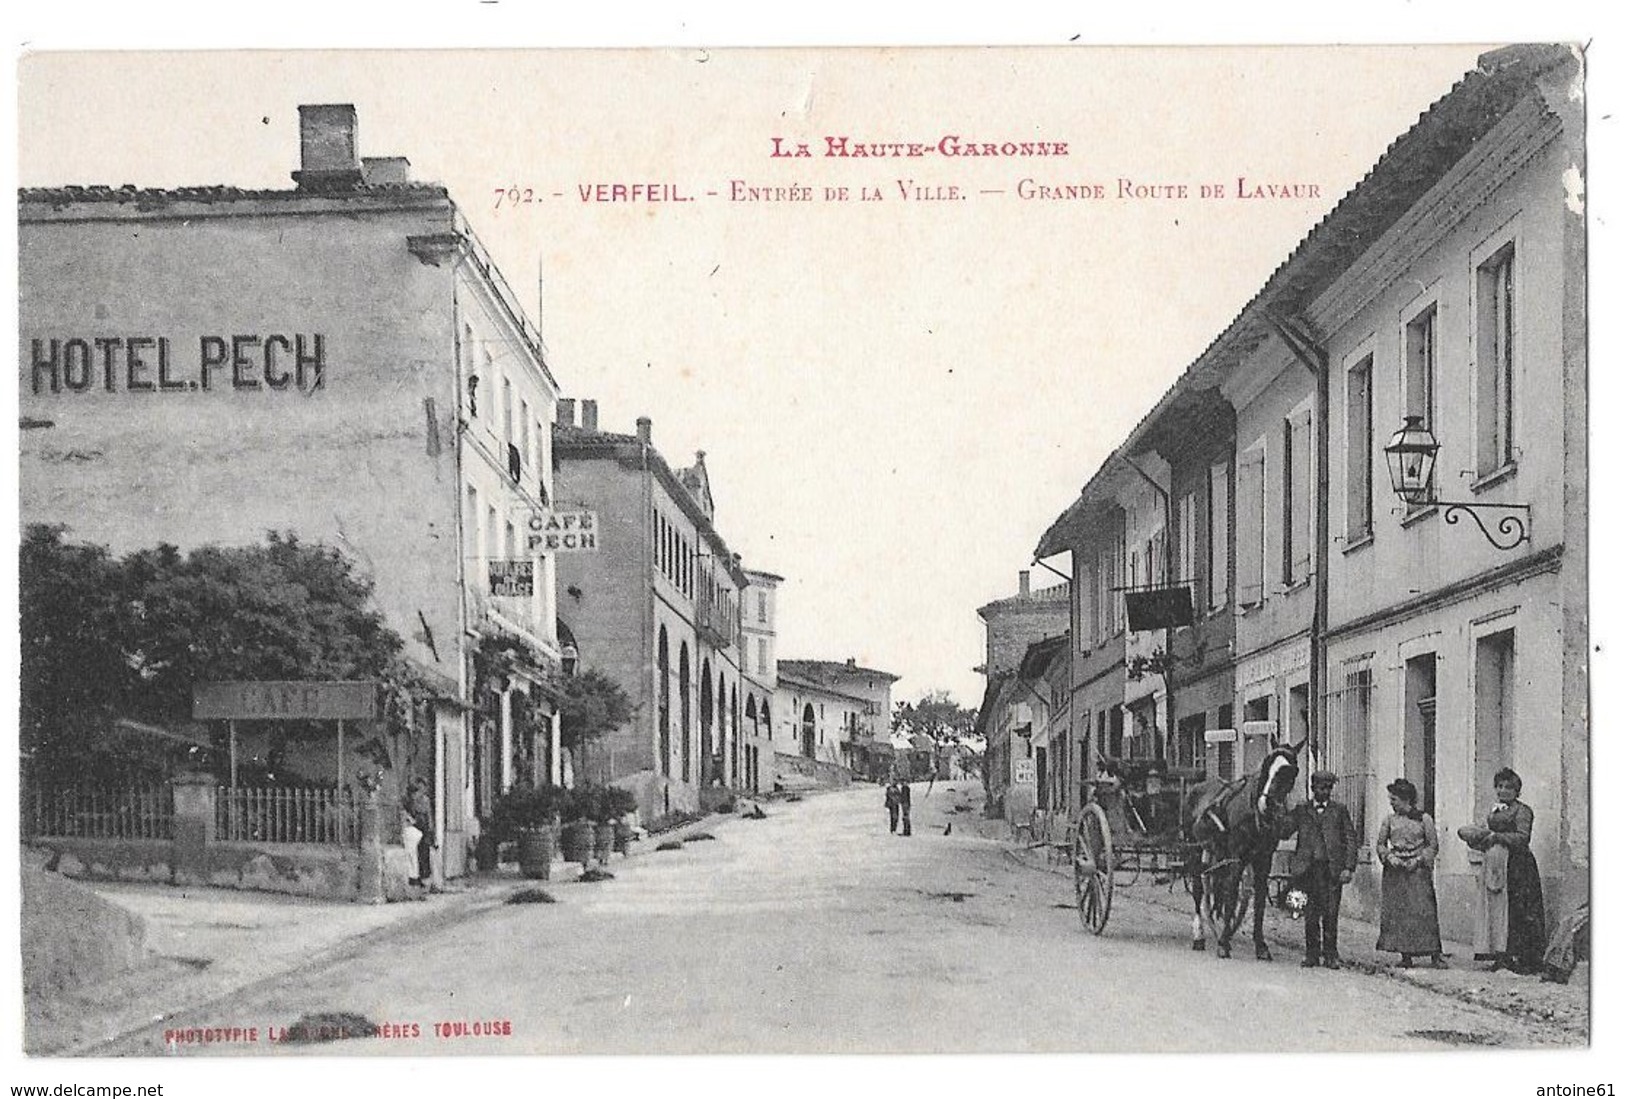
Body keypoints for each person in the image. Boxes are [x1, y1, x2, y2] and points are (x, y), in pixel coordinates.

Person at [1464, 767, 1545, 974]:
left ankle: (1520, 957)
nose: (1503, 791)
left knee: (1516, 909)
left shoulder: (1523, 810)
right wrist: (1478, 839)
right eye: (1499, 786)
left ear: (1517, 790)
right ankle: (1500, 955)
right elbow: (1487, 835)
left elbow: (1522, 837)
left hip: (1517, 866)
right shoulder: (1494, 811)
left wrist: (1497, 837)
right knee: (1496, 908)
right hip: (1494, 864)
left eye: (1508, 787)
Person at [1283, 770, 1359, 969]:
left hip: (1331, 870)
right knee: (1310, 913)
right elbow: (1285, 830)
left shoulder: (1339, 810)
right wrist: (1283, 811)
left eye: (1328, 788)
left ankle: (1331, 955)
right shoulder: (1302, 809)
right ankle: (1312, 955)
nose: (1325, 792)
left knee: (1331, 913)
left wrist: (1348, 867)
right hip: (1307, 870)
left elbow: (1350, 839)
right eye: (1321, 788)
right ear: (1312, 788)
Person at [1375, 778, 1445, 969]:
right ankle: (1405, 955)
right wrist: (1390, 858)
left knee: (1424, 911)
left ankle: (1435, 955)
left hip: (1418, 871)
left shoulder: (1424, 819)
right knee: (1400, 913)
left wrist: (1419, 860)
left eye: (1394, 799)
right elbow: (1380, 844)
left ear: (1406, 799)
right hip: (1396, 872)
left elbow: (1433, 845)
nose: (1391, 802)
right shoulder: (1389, 820)